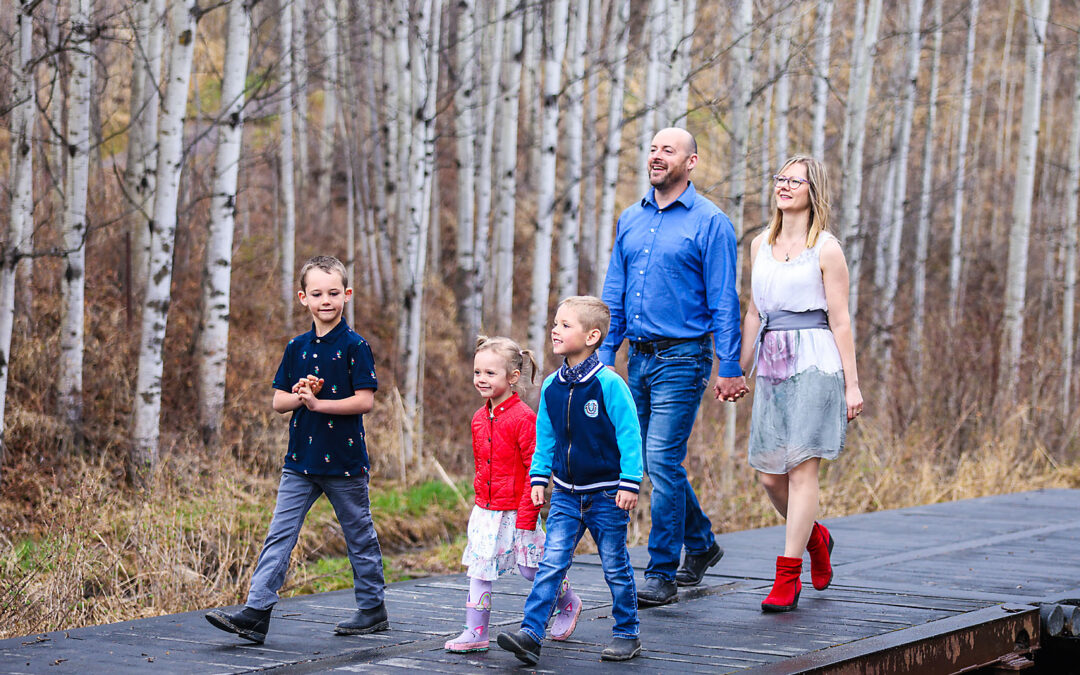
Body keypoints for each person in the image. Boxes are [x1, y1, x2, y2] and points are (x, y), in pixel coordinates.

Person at [600, 127, 748, 607]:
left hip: (684, 357)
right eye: (653, 149)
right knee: (643, 461)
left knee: (662, 460)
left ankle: (661, 571)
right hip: (635, 360)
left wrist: (729, 364)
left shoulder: (711, 223)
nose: (657, 157)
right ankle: (701, 544)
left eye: (669, 150)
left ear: (692, 162)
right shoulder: (629, 219)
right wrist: (604, 359)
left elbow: (725, 299)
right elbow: (614, 293)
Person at [206, 255, 388, 643]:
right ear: (303, 297)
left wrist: (319, 404)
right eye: (318, 293)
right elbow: (278, 402)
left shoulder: (357, 346)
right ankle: (256, 613)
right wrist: (301, 394)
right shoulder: (296, 347)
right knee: (280, 533)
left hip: (344, 461)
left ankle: (372, 609)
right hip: (300, 461)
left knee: (358, 534)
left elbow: (364, 401)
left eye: (334, 293)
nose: (326, 300)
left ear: (347, 295)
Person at [737, 156, 862, 612]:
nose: (784, 186)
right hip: (772, 364)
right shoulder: (759, 244)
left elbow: (841, 319)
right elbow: (754, 311)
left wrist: (853, 384)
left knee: (800, 469)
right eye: (780, 179)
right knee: (771, 477)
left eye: (795, 180)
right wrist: (738, 368)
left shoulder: (825, 247)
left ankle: (787, 576)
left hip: (816, 360)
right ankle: (816, 538)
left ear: (813, 190)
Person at [497, 296, 644, 665]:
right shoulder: (551, 385)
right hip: (564, 493)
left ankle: (627, 633)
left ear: (592, 336)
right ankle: (531, 634)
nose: (555, 330)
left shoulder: (608, 384)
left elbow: (629, 434)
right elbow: (546, 436)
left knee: (615, 565)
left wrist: (630, 482)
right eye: (555, 323)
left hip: (607, 494)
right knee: (551, 563)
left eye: (565, 325)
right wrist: (538, 477)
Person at [444, 336, 581, 653]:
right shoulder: (479, 418)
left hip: (519, 510)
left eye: (490, 373)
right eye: (478, 372)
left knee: (530, 568)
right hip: (486, 510)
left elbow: (536, 471)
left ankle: (568, 602)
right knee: (479, 569)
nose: (482, 379)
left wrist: (528, 515)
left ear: (513, 376)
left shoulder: (523, 419)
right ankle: (475, 631)